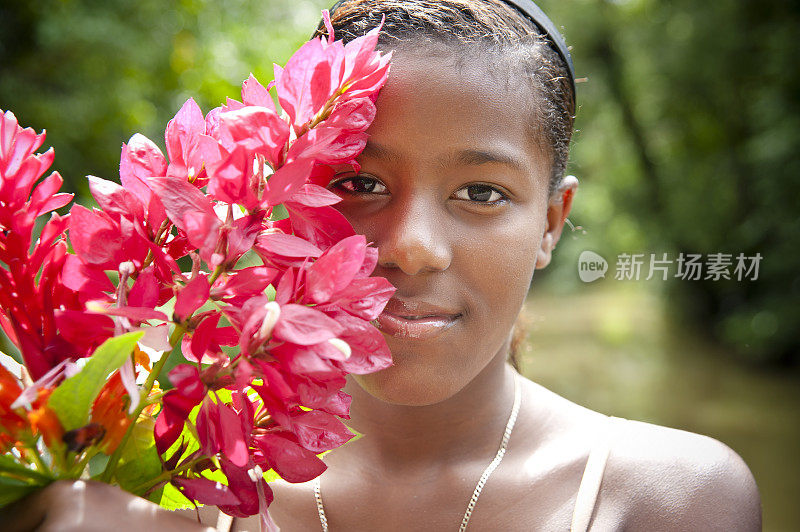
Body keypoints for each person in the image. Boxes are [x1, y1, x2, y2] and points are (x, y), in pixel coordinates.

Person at [3, 1, 761, 530]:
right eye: (358, 184)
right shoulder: (156, 491)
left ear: (551, 224)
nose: (413, 246)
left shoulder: (669, 501)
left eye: (481, 192)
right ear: (279, 195)